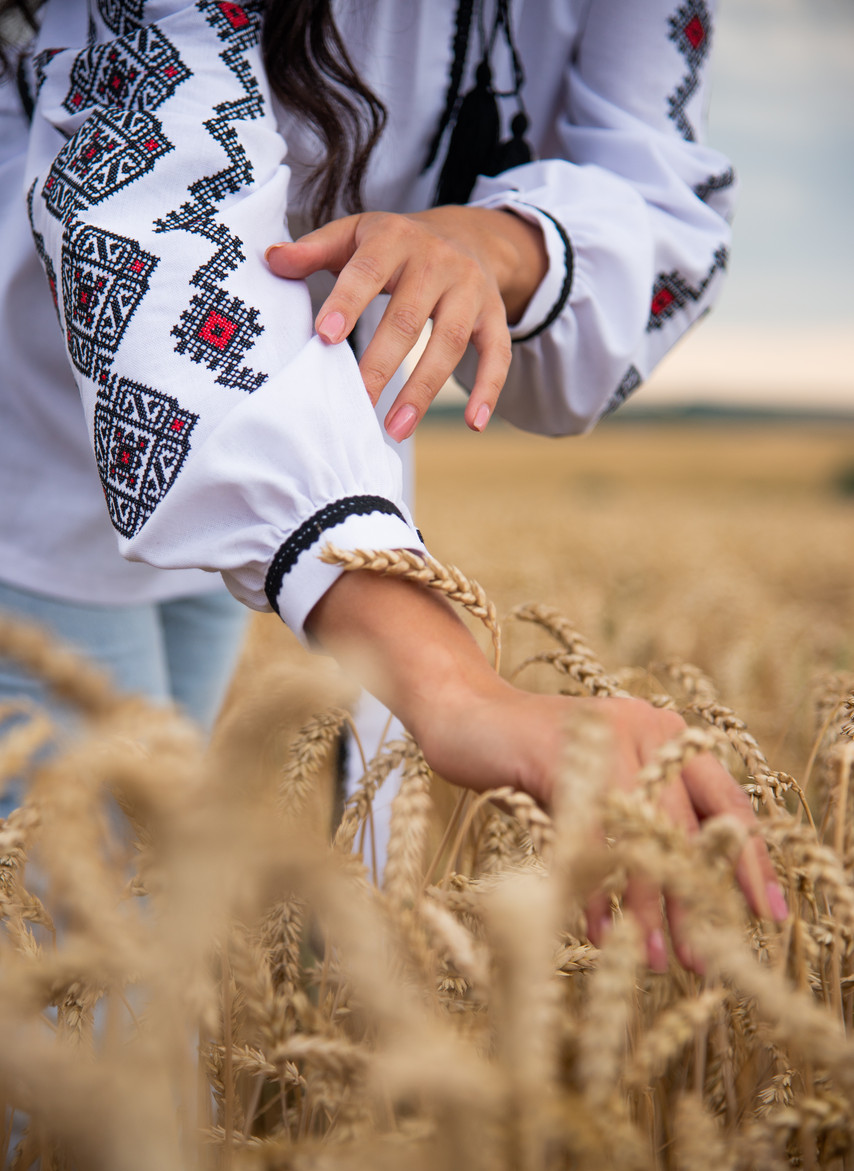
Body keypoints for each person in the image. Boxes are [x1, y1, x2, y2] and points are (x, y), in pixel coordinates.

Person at [0, 0, 786, 969]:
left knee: (136, 943)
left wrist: (488, 244)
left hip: (289, 467)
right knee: (90, 986)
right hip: (40, 423)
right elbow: (145, 202)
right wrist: (455, 688)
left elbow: (666, 195)